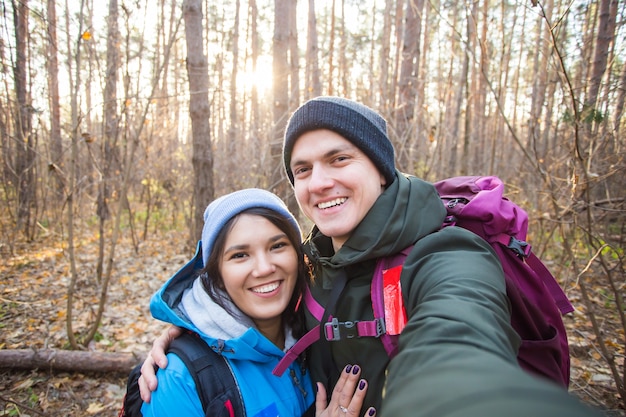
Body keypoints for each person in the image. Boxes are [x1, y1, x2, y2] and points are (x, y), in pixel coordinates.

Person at [141, 97, 603, 417]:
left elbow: (459, 336)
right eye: (303, 169)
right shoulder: (311, 263)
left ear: (380, 169)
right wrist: (194, 335)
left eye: (339, 159)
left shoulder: (446, 252)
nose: (319, 181)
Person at [140, 188, 376, 417]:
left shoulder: (317, 330)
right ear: (215, 274)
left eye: (277, 246)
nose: (264, 268)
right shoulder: (180, 380)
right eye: (240, 255)